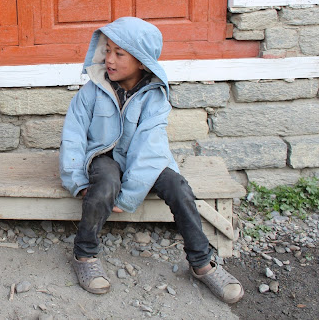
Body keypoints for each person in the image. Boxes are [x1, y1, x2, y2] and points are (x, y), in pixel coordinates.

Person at [59, 17, 244, 303]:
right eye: (107, 50)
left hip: (146, 159)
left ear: (142, 62)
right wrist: (77, 180)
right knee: (105, 185)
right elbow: (73, 135)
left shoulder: (155, 98)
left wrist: (129, 197)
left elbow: (148, 151)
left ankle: (202, 263)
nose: (109, 59)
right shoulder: (92, 90)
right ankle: (84, 255)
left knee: (179, 187)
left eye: (119, 53)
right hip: (103, 155)